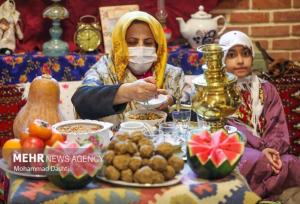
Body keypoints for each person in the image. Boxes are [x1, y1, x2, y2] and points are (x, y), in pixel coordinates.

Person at [219, 30, 300, 200]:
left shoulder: (266, 89)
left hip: (269, 152)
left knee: (291, 162)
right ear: (222, 59)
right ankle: (259, 193)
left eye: (246, 54)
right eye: (232, 55)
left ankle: (261, 191)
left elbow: (278, 126)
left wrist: (273, 151)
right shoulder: (217, 92)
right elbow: (227, 129)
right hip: (239, 151)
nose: (240, 61)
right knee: (253, 159)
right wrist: (262, 149)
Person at [72, 11, 184, 125]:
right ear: (119, 44)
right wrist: (125, 92)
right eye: (131, 42)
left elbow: (194, 113)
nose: (141, 48)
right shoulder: (103, 70)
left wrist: (171, 103)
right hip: (115, 141)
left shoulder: (172, 74)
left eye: (148, 43)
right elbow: (81, 101)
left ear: (158, 47)